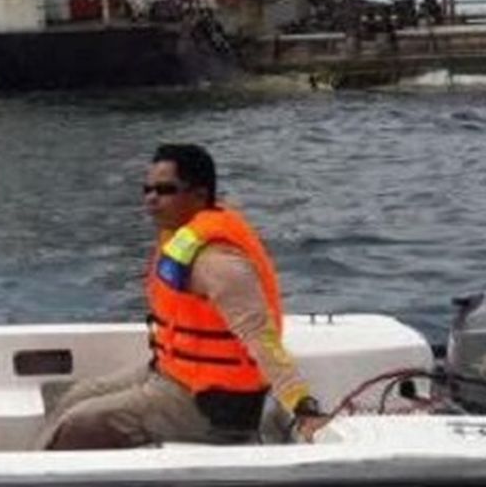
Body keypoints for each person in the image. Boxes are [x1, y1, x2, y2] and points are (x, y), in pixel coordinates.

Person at [36, 143, 328, 449]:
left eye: (165, 190)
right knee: (69, 396)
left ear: (199, 195)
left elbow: (261, 338)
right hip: (172, 376)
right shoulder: (180, 239)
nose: (152, 198)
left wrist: (303, 405)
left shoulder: (218, 262)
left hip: (211, 406)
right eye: (147, 189)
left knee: (79, 422)